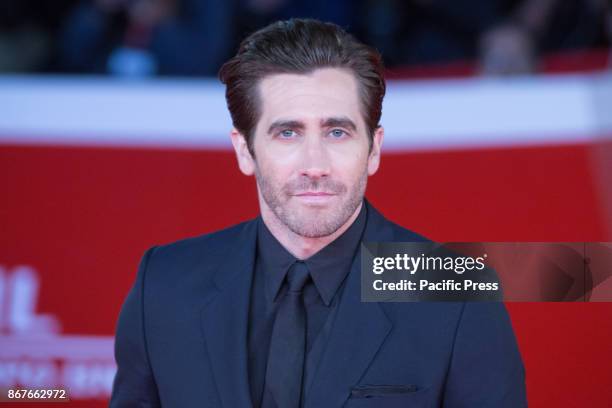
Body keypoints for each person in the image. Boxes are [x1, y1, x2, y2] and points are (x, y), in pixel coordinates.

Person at [110, 18, 527, 407]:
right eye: (288, 133)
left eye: (337, 132)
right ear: (244, 150)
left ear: (374, 149)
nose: (315, 164)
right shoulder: (165, 285)